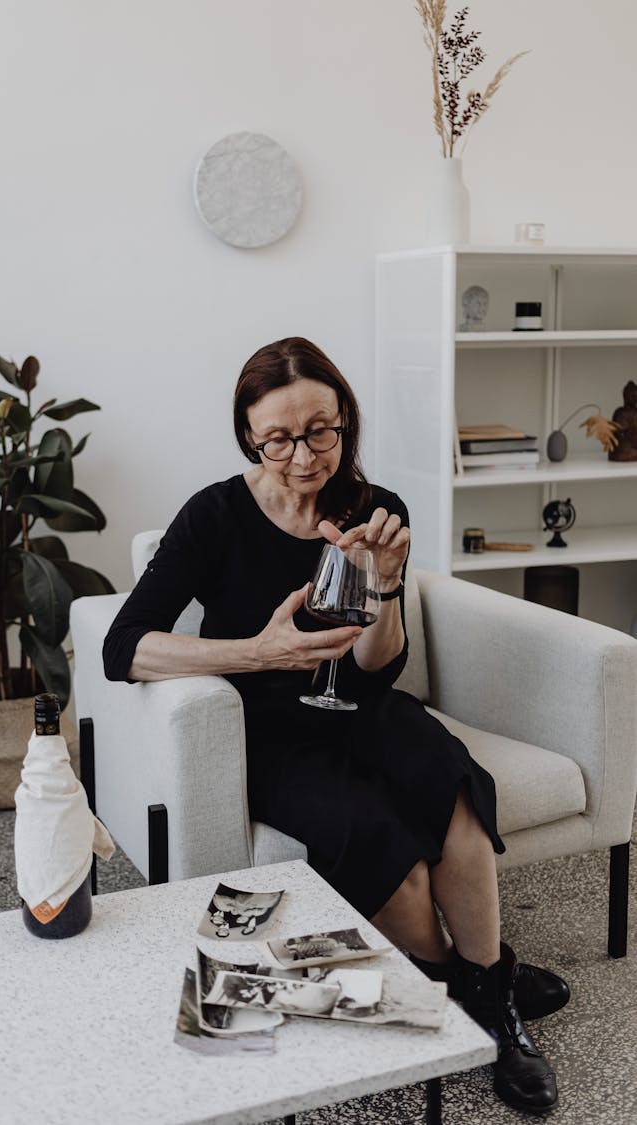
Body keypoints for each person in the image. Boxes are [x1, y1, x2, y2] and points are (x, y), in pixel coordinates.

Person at [103, 336, 568, 1115]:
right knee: (376, 837)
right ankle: (480, 985)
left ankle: (484, 997)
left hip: (363, 704)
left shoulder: (375, 508)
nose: (303, 455)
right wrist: (258, 650)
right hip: (271, 730)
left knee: (452, 785)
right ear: (250, 435)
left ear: (344, 420)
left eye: (320, 430)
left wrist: (386, 588)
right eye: (278, 437)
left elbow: (380, 665)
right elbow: (126, 647)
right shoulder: (215, 515)